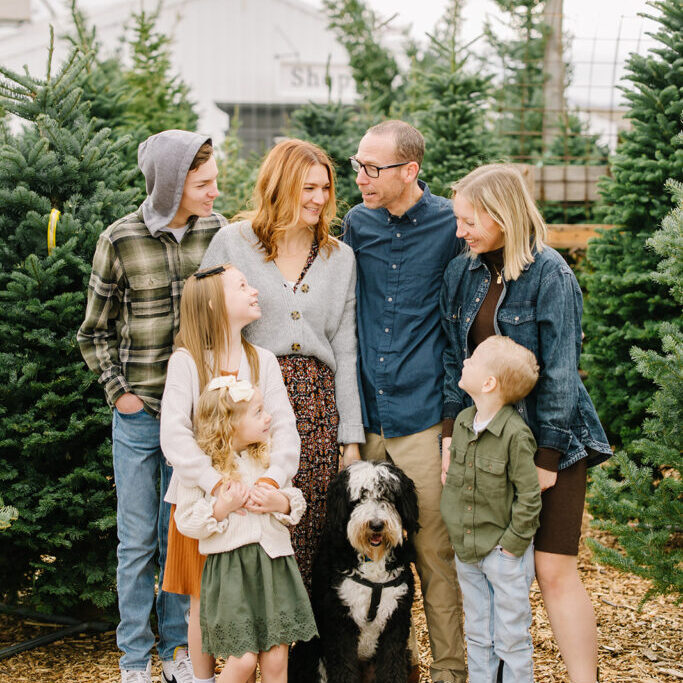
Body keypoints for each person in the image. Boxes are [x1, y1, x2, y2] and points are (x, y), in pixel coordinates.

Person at [440, 163, 611, 683]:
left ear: (501, 214)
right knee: (489, 569)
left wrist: (547, 459)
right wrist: (452, 437)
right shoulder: (462, 272)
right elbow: (455, 361)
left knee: (553, 570)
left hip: (550, 444)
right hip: (485, 448)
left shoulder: (551, 274)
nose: (460, 231)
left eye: (469, 220)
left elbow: (560, 372)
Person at [77, 130, 225, 683]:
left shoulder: (219, 234)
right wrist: (123, 396)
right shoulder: (120, 240)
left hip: (196, 420)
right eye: (204, 183)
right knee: (137, 540)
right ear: (171, 184)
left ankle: (176, 653)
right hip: (140, 418)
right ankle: (135, 660)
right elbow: (93, 333)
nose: (215, 192)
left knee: (180, 537)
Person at [200, 138, 365, 591]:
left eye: (325, 189)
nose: (319, 199)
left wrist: (350, 438)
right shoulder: (233, 242)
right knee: (249, 524)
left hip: (315, 405)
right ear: (279, 186)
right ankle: (246, 652)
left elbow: (346, 348)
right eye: (307, 188)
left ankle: (301, 660)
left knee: (307, 526)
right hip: (248, 402)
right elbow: (206, 327)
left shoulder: (339, 256)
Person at [341, 119, 466, 683]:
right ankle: (378, 664)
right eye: (358, 165)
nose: (362, 177)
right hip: (368, 418)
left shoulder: (449, 225)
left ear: (409, 170)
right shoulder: (356, 224)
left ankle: (449, 671)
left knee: (434, 556)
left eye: (374, 168)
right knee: (363, 550)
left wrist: (450, 422)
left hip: (420, 418)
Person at [159, 263, 300, 683]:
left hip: (258, 503)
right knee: (204, 600)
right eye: (242, 286)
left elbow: (286, 428)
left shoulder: (263, 361)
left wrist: (274, 480)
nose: (254, 290)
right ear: (215, 304)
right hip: (204, 501)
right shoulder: (186, 362)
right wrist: (217, 484)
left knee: (258, 601)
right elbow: (174, 434)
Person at [174, 377, 317, 683]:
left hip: (274, 567)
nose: (268, 418)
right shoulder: (200, 467)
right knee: (243, 661)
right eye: (258, 412)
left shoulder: (267, 457)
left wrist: (278, 502)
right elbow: (185, 520)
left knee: (277, 658)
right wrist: (220, 508)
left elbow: (296, 501)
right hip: (231, 574)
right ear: (229, 423)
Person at [440, 335, 542, 682]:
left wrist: (511, 547)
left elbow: (529, 496)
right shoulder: (465, 422)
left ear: (488, 383)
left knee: (512, 637)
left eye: (474, 358)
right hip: (467, 552)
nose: (465, 360)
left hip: (503, 555)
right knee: (479, 634)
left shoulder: (515, 434)